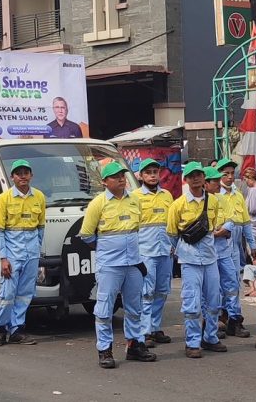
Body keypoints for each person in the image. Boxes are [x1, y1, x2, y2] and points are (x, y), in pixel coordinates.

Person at [80, 162, 156, 369]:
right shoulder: (98, 203)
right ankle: (105, 350)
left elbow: (137, 229)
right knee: (104, 308)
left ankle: (135, 345)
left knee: (134, 307)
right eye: (115, 176)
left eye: (122, 175)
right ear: (105, 182)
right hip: (110, 265)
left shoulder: (134, 200)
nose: (121, 179)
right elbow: (86, 234)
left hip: (133, 263)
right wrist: (107, 248)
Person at [167, 162, 226, 358]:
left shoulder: (214, 201)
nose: (196, 178)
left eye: (199, 174)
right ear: (186, 179)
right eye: (191, 175)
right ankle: (192, 342)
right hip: (189, 260)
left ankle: (210, 338)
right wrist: (184, 250)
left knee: (214, 301)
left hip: (210, 258)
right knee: (191, 304)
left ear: (203, 177)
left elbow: (215, 225)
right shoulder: (178, 205)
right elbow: (172, 233)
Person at [0, 159, 46, 347]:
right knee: (7, 294)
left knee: (25, 294)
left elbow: (40, 228)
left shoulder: (39, 197)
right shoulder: (4, 199)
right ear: (12, 177)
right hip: (12, 254)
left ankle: (17, 330)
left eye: (26, 172)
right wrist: (3, 258)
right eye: (18, 173)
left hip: (31, 254)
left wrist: (37, 251)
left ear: (31, 175)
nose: (23, 176)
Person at [134, 158, 175, 348]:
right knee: (147, 293)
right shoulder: (134, 197)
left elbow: (172, 223)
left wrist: (174, 245)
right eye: (148, 172)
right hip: (145, 251)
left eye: (155, 172)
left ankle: (155, 327)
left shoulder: (167, 195)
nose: (152, 175)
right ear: (141, 176)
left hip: (165, 250)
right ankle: (145, 331)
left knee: (161, 291)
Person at [216, 160, 254, 338]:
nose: (230, 177)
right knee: (215, 285)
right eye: (225, 174)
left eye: (232, 173)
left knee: (233, 284)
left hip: (235, 247)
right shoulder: (214, 194)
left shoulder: (238, 195)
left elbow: (246, 222)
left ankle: (234, 320)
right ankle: (216, 319)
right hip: (218, 245)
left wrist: (252, 245)